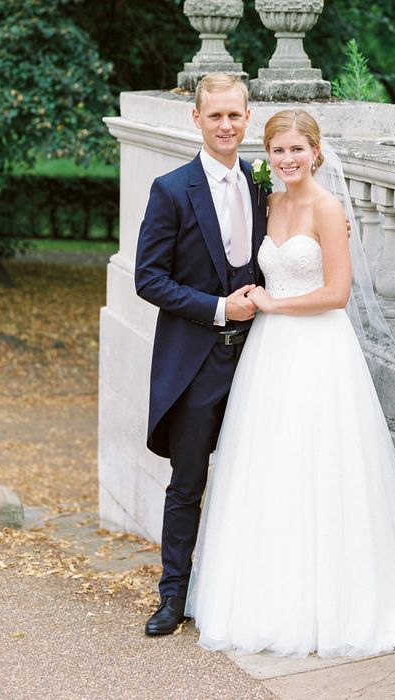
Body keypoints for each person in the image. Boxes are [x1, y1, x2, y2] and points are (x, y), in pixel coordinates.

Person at [186, 109, 395, 657]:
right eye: (278, 151)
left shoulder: (329, 210)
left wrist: (275, 304)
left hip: (318, 349)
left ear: (316, 152)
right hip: (270, 354)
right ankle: (267, 598)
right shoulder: (267, 202)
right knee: (271, 464)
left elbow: (336, 293)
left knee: (322, 465)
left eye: (297, 151)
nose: (287, 160)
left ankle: (334, 604)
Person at [134, 73, 267, 636]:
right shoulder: (171, 188)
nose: (226, 125)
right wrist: (218, 307)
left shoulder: (263, 185)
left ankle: (248, 592)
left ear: (247, 116)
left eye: (235, 115)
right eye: (215, 116)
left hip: (261, 360)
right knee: (188, 483)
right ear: (196, 119)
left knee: (257, 476)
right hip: (196, 362)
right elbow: (149, 279)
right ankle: (172, 597)